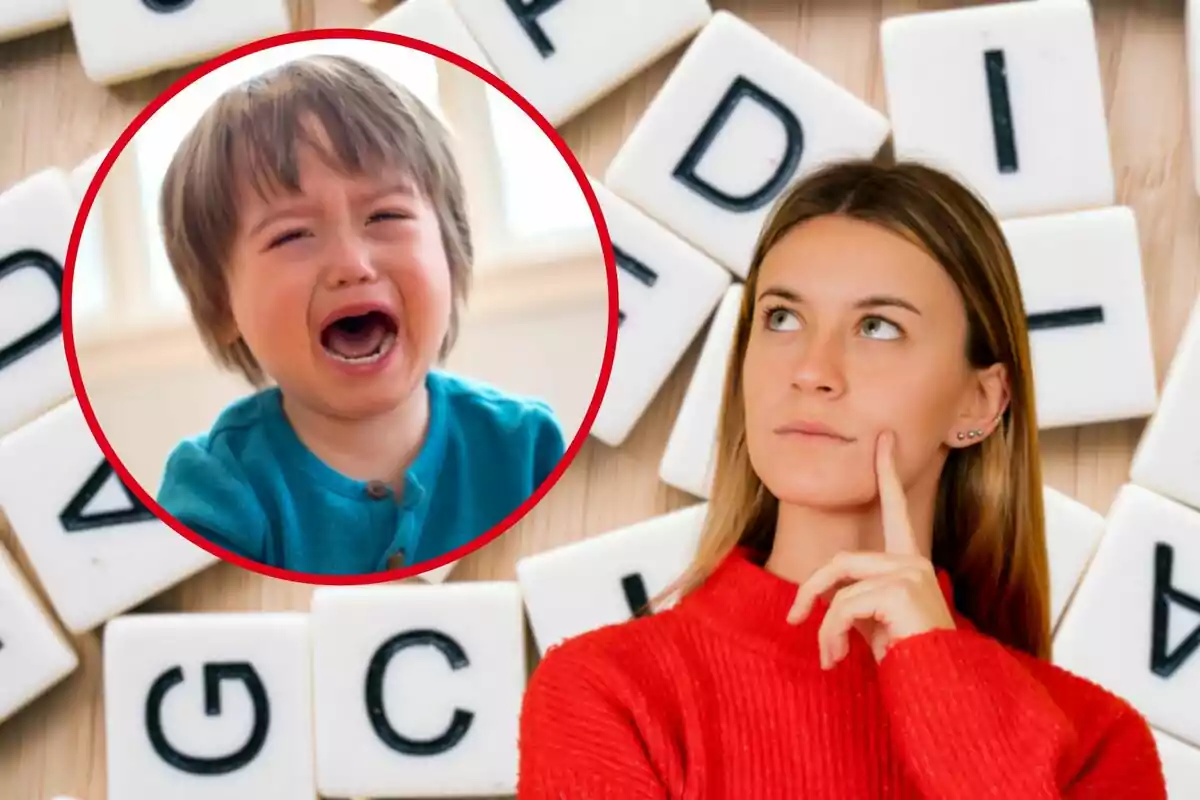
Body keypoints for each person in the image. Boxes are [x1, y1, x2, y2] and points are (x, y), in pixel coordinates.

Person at [517, 159, 1167, 797]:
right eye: (782, 318)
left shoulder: (1097, 741)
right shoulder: (605, 693)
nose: (811, 370)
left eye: (878, 327)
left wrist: (941, 683)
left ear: (980, 402)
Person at [154, 54, 566, 576]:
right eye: (292, 235)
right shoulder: (216, 490)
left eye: (387, 216)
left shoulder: (526, 450)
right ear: (221, 306)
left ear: (451, 253)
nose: (351, 265)